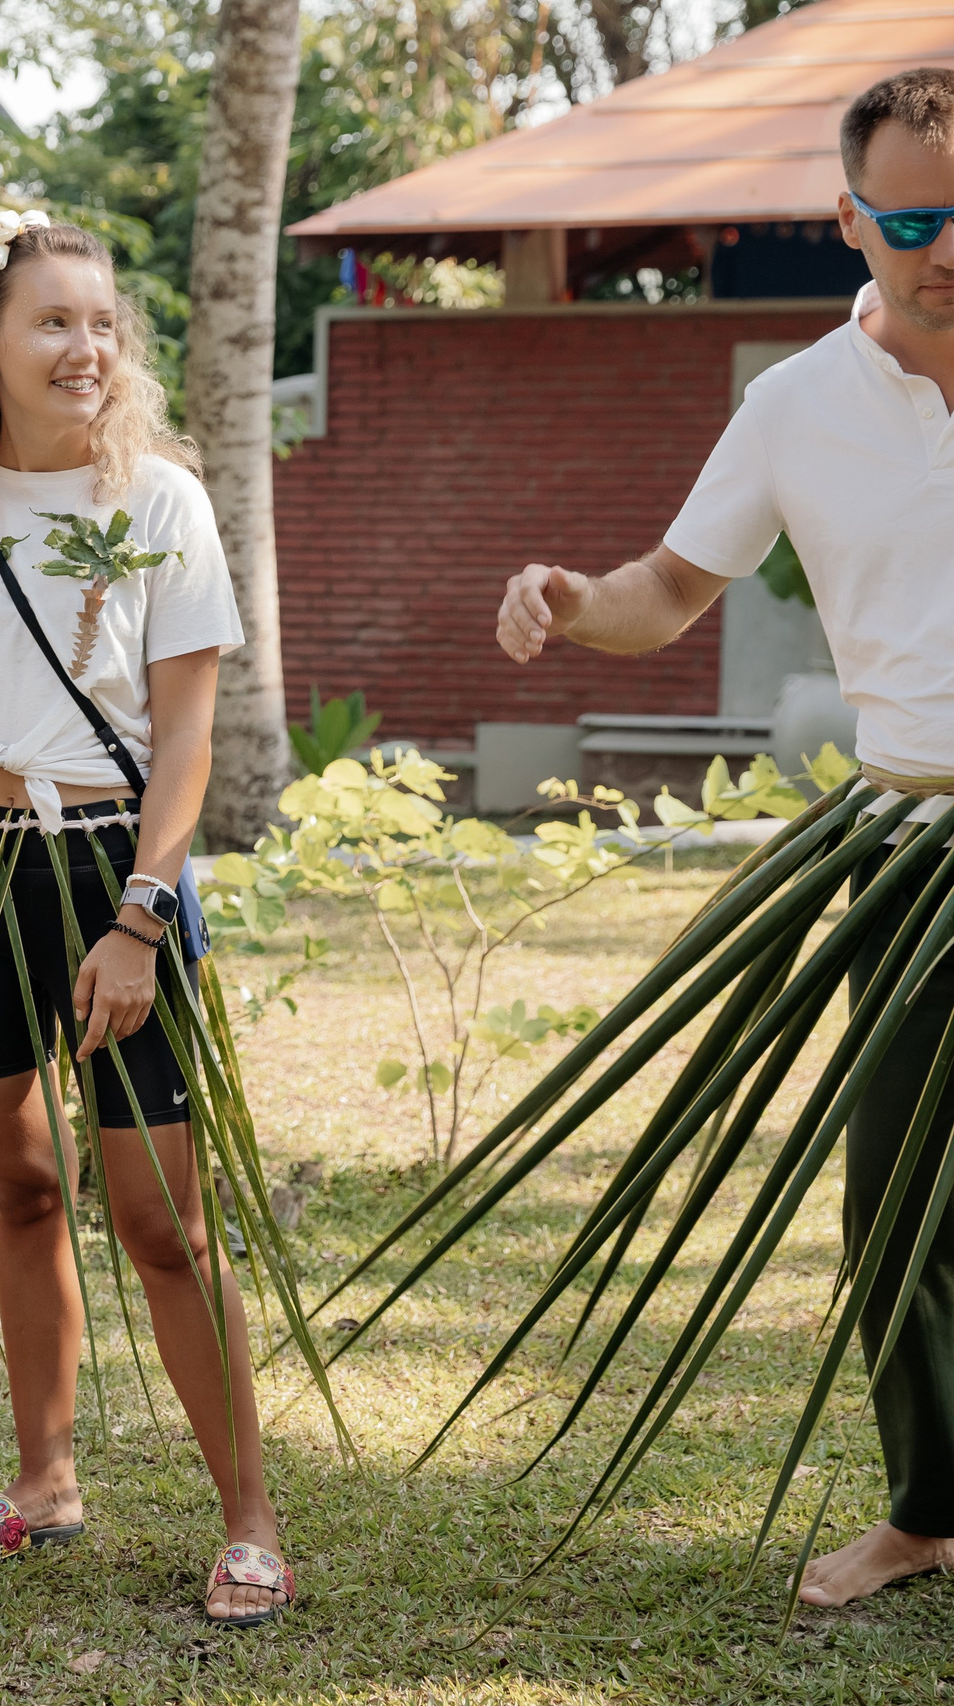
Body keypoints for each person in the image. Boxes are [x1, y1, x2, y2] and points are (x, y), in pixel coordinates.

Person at [494, 68, 954, 1607]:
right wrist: (575, 599)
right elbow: (672, 589)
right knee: (897, 1200)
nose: (947, 248)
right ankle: (930, 1509)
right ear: (852, 220)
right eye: (914, 222)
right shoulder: (797, 406)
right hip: (911, 849)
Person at [0, 213, 295, 1625]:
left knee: (160, 1214)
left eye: (102, 322)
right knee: (19, 1180)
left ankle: (250, 1520)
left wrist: (141, 919)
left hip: (113, 874)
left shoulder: (160, 502)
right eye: (52, 321)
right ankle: (43, 1481)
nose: (85, 347)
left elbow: (187, 739)